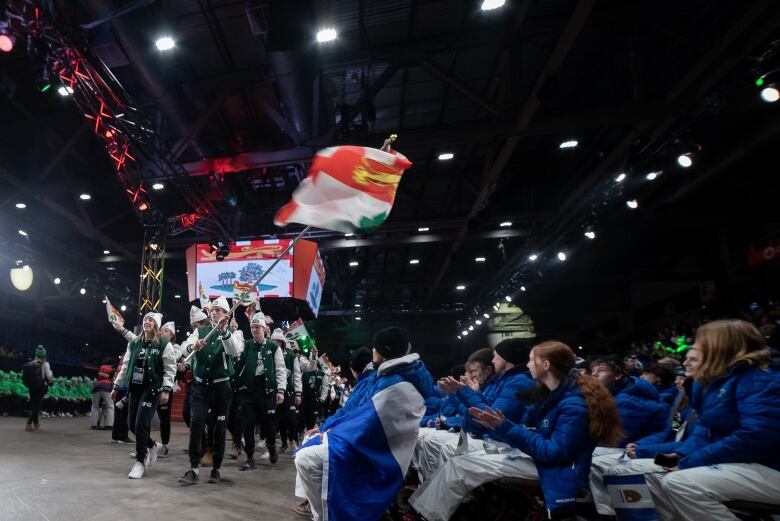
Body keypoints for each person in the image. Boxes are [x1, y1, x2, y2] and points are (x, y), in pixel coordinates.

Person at [408, 341, 623, 521]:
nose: (527, 364)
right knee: (461, 463)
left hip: (562, 472)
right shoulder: (555, 396)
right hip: (547, 462)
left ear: (546, 365)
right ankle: (428, 512)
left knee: (461, 465)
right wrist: (508, 427)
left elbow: (556, 453)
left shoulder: (573, 404)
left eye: (531, 360)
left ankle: (429, 515)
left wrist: (505, 427)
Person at [294, 327, 434, 521]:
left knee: (306, 457)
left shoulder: (393, 382)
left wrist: (328, 433)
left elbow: (365, 421)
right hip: (378, 445)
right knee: (308, 449)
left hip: (377, 453)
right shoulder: (396, 375)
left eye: (375, 347)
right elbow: (361, 415)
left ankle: (325, 515)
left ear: (381, 351)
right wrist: (328, 429)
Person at [648, 319, 780, 520]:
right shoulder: (693, 394)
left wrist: (688, 460)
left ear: (719, 348)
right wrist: (679, 453)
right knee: (650, 472)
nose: (686, 362)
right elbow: (683, 430)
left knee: (678, 481)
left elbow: (756, 437)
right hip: (732, 459)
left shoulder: (759, 380)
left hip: (768, 465)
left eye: (697, 348)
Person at [589, 345, 702, 516]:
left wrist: (643, 449)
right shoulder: (683, 398)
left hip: (684, 455)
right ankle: (617, 514)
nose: (686, 364)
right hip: (671, 449)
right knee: (598, 461)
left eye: (693, 359)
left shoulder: (635, 400)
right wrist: (639, 445)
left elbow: (691, 441)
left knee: (619, 469)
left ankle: (622, 515)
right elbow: (671, 431)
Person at [413, 339, 536, 482]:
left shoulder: (517, 381)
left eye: (496, 356)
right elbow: (474, 417)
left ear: (506, 358)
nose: (493, 360)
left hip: (501, 445)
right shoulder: (503, 381)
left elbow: (486, 419)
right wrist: (459, 395)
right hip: (489, 438)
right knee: (438, 441)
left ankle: (456, 497)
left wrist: (462, 393)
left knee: (450, 447)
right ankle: (431, 488)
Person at [177, 296, 243, 485]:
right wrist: (193, 346)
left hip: (222, 387)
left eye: (219, 310)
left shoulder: (234, 333)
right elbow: (184, 347)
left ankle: (216, 468)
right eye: (213, 310)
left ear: (226, 314)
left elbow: (235, 351)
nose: (214, 312)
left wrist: (224, 332)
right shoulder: (201, 331)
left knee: (219, 428)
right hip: (200, 386)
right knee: (197, 423)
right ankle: (193, 468)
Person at [112, 312, 176, 478]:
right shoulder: (134, 343)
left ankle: (140, 461)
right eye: (146, 319)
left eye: (151, 320)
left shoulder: (164, 344)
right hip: (135, 388)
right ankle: (152, 445)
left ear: (156, 325)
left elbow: (170, 369)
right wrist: (116, 386)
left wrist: (166, 389)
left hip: (152, 389)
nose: (147, 322)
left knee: (141, 424)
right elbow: (125, 366)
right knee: (132, 425)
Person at [233, 312, 286, 470]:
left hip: (267, 393)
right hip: (248, 393)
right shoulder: (246, 345)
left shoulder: (273, 347)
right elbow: (237, 364)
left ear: (264, 329)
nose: (254, 330)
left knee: (268, 425)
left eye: (257, 327)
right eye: (252, 327)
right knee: (248, 425)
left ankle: (271, 447)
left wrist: (281, 390)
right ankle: (250, 458)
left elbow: (281, 370)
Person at [590, 355, 667, 445]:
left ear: (617, 375)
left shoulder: (628, 402)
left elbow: (616, 441)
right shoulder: (617, 393)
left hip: (639, 451)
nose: (593, 374)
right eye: (593, 370)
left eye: (601, 370)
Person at [156, 321, 180, 457]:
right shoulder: (155, 345)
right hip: (152, 385)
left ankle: (165, 445)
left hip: (166, 386)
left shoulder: (175, 347)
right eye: (162, 330)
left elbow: (173, 358)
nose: (162, 332)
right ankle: (145, 445)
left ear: (172, 335)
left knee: (164, 418)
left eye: (166, 331)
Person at [279, 337, 303, 452]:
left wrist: (298, 393)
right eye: (274, 341)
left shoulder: (291, 357)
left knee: (292, 418)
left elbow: (297, 375)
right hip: (276, 392)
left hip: (289, 392)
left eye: (278, 341)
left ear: (282, 343)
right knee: (280, 420)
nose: (276, 343)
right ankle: (284, 442)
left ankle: (294, 441)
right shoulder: (271, 354)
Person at [23, 345, 53, 431]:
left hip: (31, 387)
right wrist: (51, 374)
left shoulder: (31, 363)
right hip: (40, 388)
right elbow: (49, 377)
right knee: (37, 406)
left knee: (34, 405)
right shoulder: (46, 364)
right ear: (44, 355)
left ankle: (36, 423)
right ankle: (29, 424)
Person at [91, 362, 114, 430]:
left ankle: (94, 424)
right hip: (107, 386)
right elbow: (113, 380)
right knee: (110, 406)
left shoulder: (101, 367)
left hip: (97, 386)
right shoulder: (112, 369)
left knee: (95, 406)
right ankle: (109, 425)